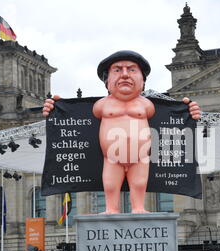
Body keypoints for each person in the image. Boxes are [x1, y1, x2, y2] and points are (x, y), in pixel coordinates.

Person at [42, 50, 201, 214]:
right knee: (110, 184)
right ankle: (111, 208)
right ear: (107, 82)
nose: (125, 75)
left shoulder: (147, 105)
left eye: (132, 70)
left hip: (140, 157)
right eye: (117, 70)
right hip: (111, 158)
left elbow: (169, 116)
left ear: (142, 81)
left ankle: (138, 207)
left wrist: (189, 112)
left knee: (139, 183)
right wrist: (54, 110)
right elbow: (76, 116)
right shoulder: (101, 105)